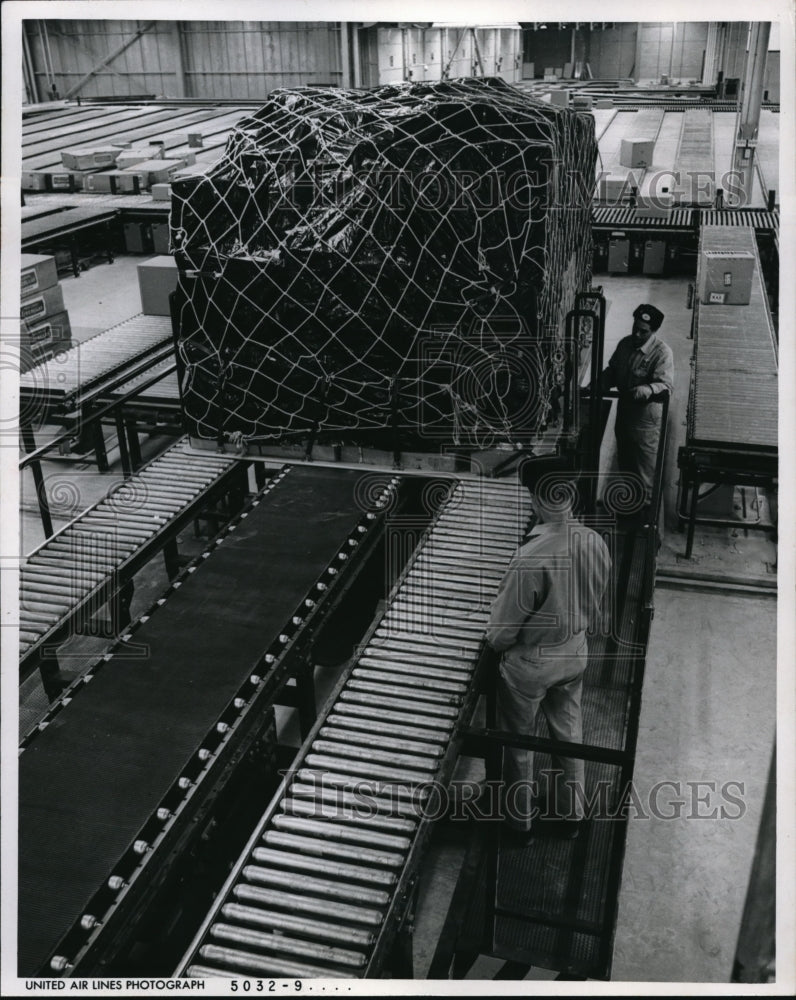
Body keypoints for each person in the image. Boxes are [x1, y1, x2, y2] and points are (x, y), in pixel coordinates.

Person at [486, 457, 612, 842]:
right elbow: (595, 597)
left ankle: (518, 825)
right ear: (570, 496)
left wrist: (497, 641)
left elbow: (501, 633)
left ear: (536, 500)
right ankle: (570, 815)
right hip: (574, 652)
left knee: (518, 742)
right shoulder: (594, 540)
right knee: (568, 731)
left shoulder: (530, 557)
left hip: (532, 665)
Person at [599, 304, 674, 518]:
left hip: (645, 421)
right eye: (636, 328)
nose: (637, 334)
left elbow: (667, 386)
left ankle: (646, 514)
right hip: (625, 413)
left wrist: (648, 388)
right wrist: (600, 383)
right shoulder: (624, 344)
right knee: (626, 460)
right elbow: (612, 371)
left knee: (645, 468)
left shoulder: (662, 353)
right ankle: (631, 501)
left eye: (644, 331)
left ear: (654, 331)